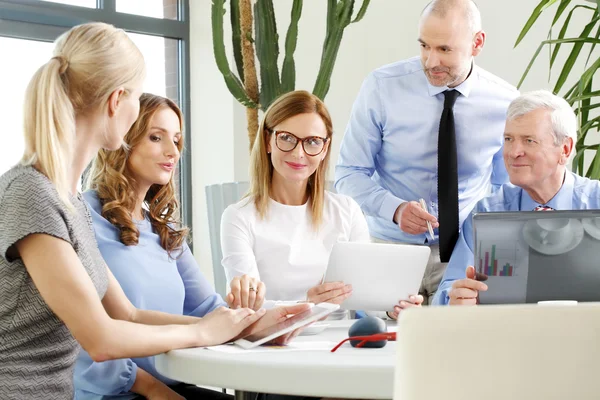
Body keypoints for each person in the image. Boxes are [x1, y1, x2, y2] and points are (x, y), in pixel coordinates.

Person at [0, 23, 305, 400]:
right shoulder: (31, 194)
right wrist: (201, 332)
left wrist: (240, 326)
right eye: (136, 99)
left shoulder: (66, 200)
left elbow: (127, 315)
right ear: (116, 101)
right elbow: (100, 338)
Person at [74, 94, 299, 399]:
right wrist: (152, 388)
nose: (172, 152)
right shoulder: (82, 218)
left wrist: (256, 322)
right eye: (156, 137)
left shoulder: (164, 232)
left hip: (175, 383)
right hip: (118, 392)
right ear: (123, 139)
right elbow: (77, 335)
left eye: (177, 140)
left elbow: (208, 310)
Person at [334, 0, 519, 305]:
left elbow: (504, 188)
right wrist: (394, 209)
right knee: (382, 347)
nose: (431, 61)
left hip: (462, 258)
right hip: (389, 250)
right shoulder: (382, 88)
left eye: (444, 50)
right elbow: (348, 173)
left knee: (453, 348)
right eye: (424, 46)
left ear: (477, 43)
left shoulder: (505, 102)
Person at [220, 90, 421, 319]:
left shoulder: (346, 210)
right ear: (268, 141)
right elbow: (248, 309)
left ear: (324, 149)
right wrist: (307, 304)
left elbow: (366, 297)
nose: (298, 153)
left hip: (340, 343)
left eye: (313, 142)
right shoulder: (239, 217)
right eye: (286, 138)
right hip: (273, 344)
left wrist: (393, 308)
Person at [433, 90, 600, 306]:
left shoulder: (596, 202)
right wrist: (455, 298)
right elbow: (447, 291)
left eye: (529, 141)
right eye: (508, 139)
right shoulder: (487, 213)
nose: (513, 152)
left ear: (565, 150)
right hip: (508, 333)